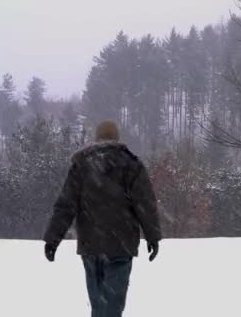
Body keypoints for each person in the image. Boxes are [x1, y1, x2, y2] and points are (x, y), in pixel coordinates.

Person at [43, 120, 162, 317]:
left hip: (91, 246)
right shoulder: (131, 165)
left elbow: (66, 205)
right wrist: (153, 236)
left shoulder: (82, 165)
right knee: (113, 304)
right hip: (121, 245)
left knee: (99, 304)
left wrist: (52, 239)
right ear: (117, 138)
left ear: (96, 139)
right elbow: (145, 203)